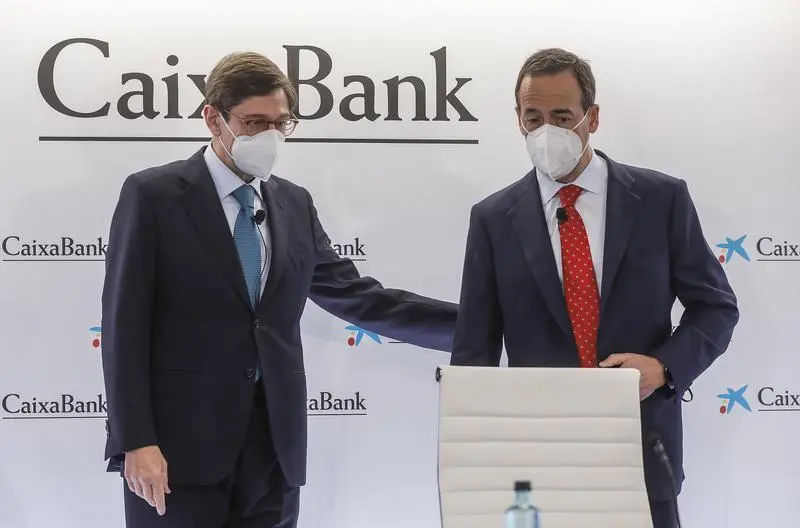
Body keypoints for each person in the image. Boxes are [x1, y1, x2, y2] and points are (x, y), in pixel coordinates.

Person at [101, 51, 457, 528]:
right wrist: (135, 441)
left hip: (273, 452)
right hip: (178, 452)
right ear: (213, 118)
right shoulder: (154, 196)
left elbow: (360, 297)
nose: (269, 136)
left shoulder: (293, 202)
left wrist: (485, 326)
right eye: (254, 123)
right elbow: (123, 327)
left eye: (280, 123)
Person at [450, 48, 738, 528]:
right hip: (537, 458)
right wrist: (475, 464)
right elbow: (474, 350)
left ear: (593, 117)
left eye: (562, 117)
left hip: (642, 446)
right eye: (533, 118)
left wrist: (664, 367)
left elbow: (715, 308)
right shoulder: (493, 219)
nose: (546, 131)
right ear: (518, 119)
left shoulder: (661, 199)